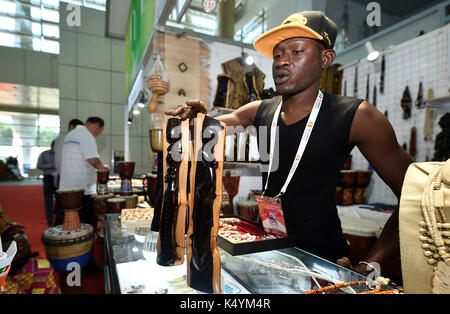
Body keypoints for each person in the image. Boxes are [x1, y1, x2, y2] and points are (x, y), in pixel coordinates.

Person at [166, 11, 413, 277]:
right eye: (278, 54)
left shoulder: (357, 116)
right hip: (267, 257)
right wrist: (201, 118)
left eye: (296, 52)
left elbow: (416, 196)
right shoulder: (261, 111)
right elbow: (221, 122)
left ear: (325, 58)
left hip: (324, 265)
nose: (282, 62)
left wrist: (371, 263)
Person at [59, 117, 110, 227]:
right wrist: (104, 168)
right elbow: (93, 159)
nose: (97, 133)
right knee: (86, 222)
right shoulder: (86, 135)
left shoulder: (71, 135)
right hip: (82, 188)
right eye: (99, 131)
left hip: (68, 187)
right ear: (98, 126)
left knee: (72, 222)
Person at [53, 119, 84, 225]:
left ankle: (64, 226)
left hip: (63, 175)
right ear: (71, 126)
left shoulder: (60, 138)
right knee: (67, 206)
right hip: (69, 176)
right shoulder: (68, 139)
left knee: (63, 205)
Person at [37, 140, 57, 226]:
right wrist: (50, 166)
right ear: (51, 146)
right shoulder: (44, 154)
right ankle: (49, 219)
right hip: (48, 178)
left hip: (58, 178)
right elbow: (39, 166)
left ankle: (58, 218)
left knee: (60, 200)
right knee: (48, 200)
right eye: (53, 147)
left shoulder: (61, 154)